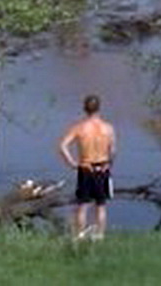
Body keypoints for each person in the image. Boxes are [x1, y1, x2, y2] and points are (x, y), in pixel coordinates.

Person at [58, 94, 116, 241]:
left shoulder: (80, 128)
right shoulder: (108, 128)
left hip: (86, 168)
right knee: (101, 205)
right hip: (102, 168)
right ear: (99, 108)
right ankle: (100, 236)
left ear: (85, 109)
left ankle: (80, 235)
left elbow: (63, 146)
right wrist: (109, 164)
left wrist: (72, 163)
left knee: (83, 205)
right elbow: (113, 150)